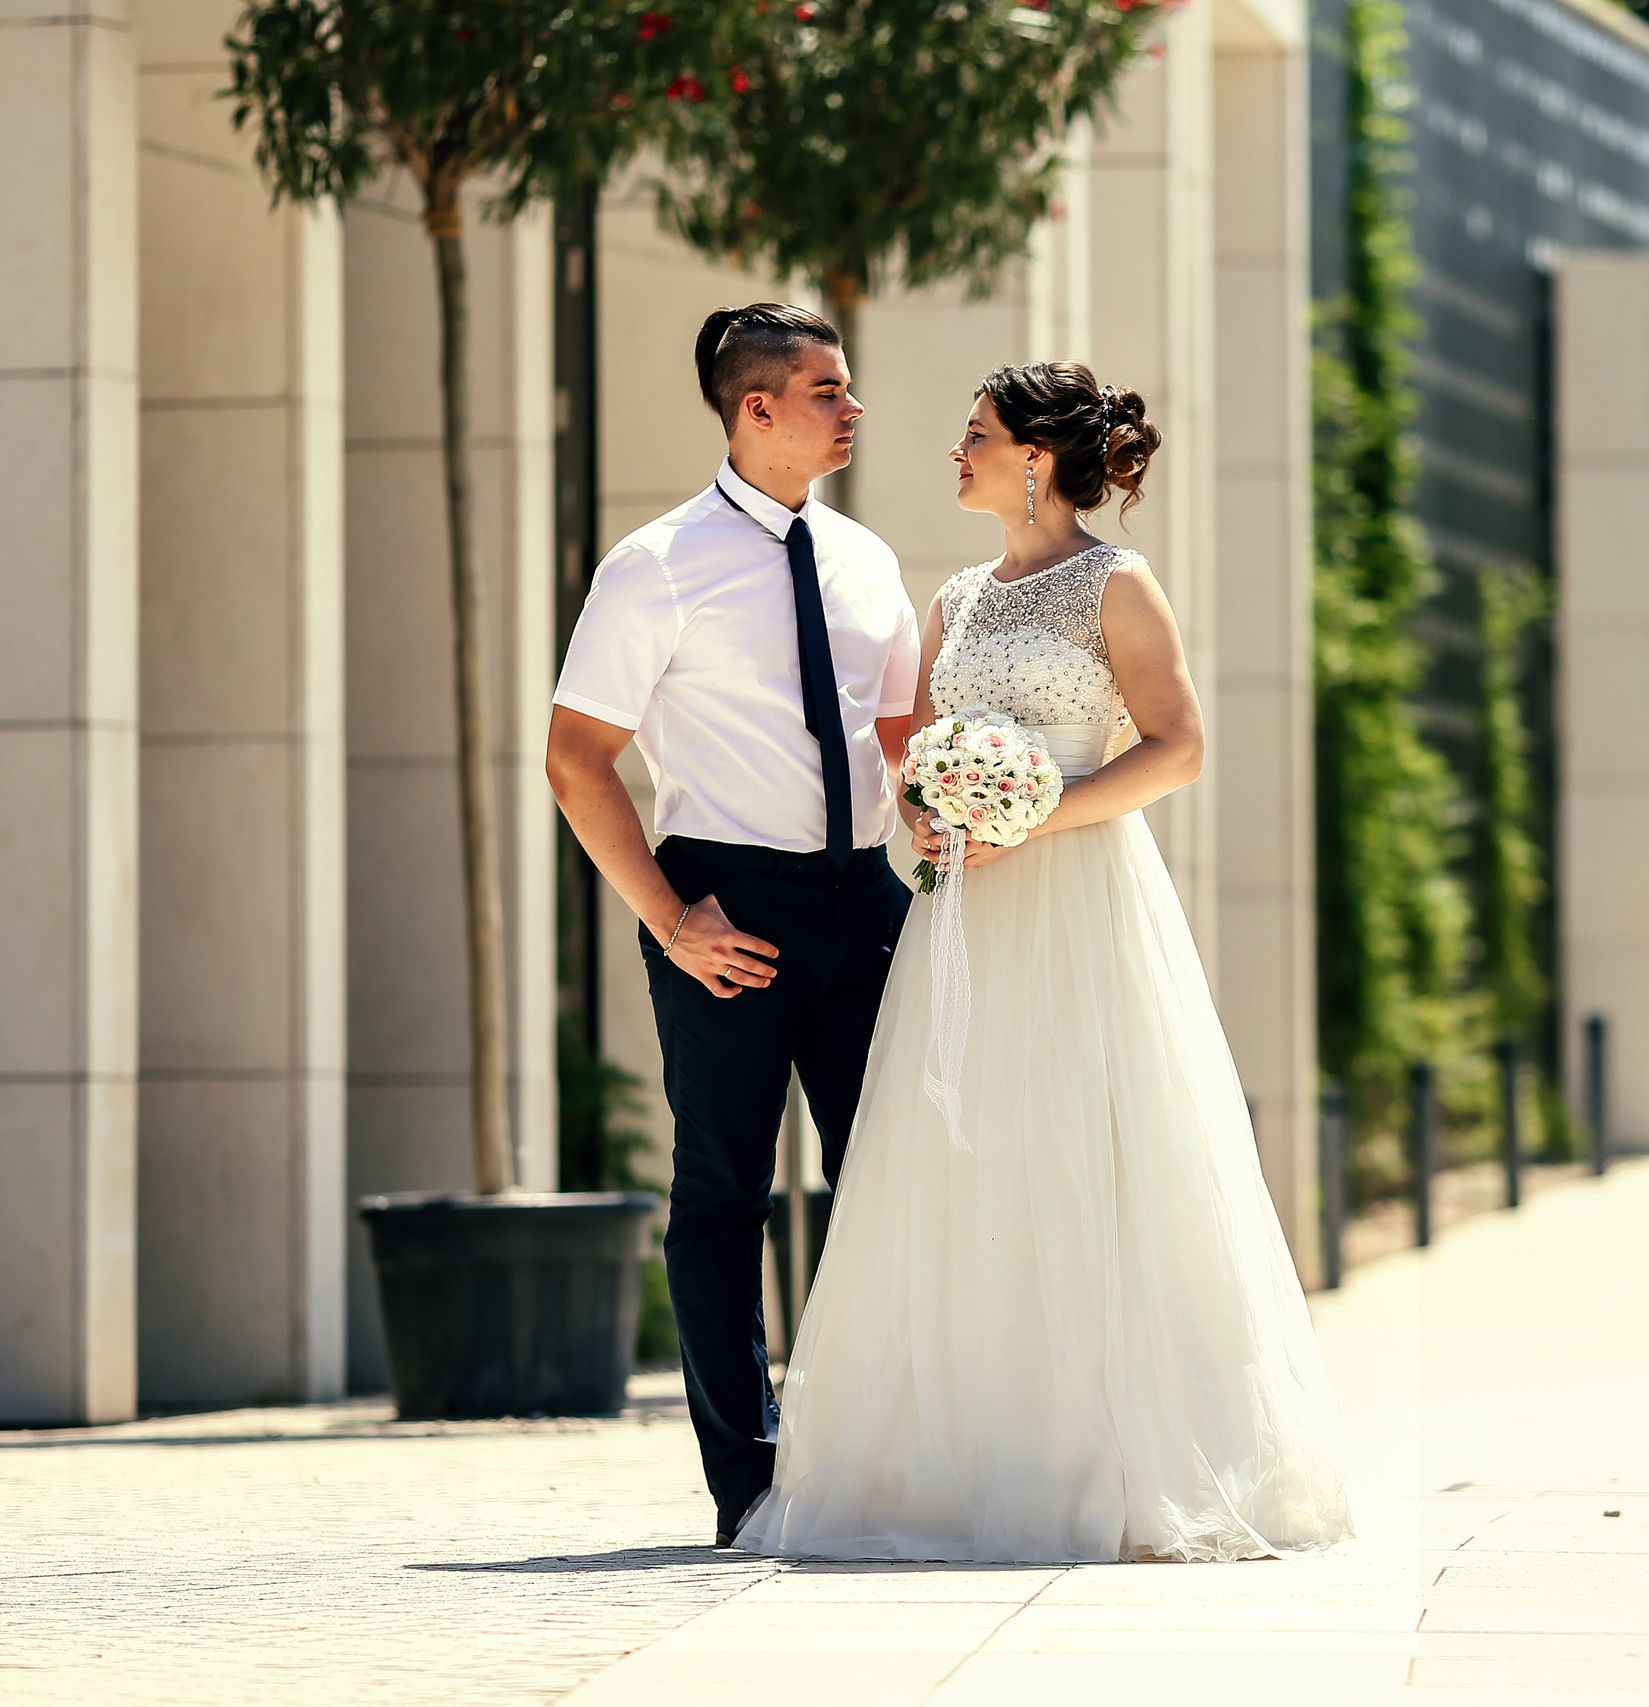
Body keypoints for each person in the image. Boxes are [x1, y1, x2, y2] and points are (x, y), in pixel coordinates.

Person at [733, 362, 1356, 1563]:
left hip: (1080, 905)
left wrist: (1034, 811)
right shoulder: (956, 597)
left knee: (1090, 1158)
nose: (952, 453)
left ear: (1034, 457)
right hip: (962, 917)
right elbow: (913, 749)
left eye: (974, 435)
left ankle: (1111, 1458)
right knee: (965, 1166)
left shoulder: (1115, 585)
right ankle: (970, 1457)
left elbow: (1178, 749)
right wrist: (926, 812)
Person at [545, 304, 920, 1547]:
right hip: (726, 904)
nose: (851, 408)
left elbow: (908, 749)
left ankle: (876, 1447)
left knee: (892, 1182)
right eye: (828, 391)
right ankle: (748, 1481)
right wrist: (670, 918)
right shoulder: (654, 567)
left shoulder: (867, 562)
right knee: (723, 1197)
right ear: (754, 409)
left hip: (864, 900)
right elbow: (576, 758)